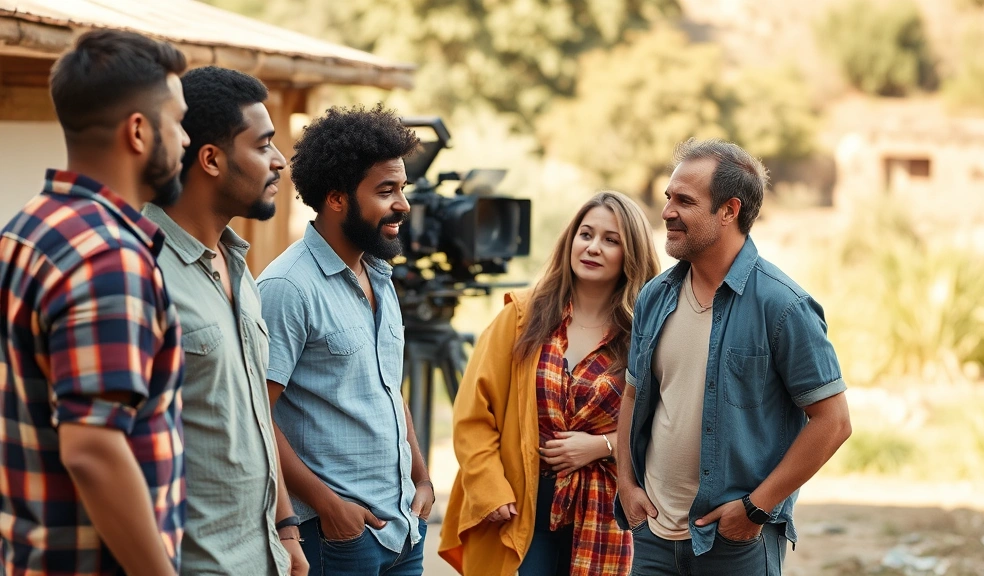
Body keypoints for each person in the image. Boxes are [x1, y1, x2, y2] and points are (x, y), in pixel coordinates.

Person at [614, 138, 853, 575]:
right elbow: (633, 395)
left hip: (734, 545)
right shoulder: (655, 296)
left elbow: (833, 421)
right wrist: (626, 485)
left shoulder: (783, 306)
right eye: (669, 198)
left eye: (685, 201)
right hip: (652, 540)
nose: (667, 211)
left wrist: (755, 509)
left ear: (729, 211)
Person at [0, 30, 189, 575]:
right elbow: (93, 450)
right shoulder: (107, 256)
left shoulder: (28, 228)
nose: (182, 139)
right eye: (176, 121)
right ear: (138, 130)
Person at [140, 66, 308, 576]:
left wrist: (286, 531)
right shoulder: (141, 269)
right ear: (211, 158)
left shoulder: (238, 265)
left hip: (265, 558)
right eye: (263, 146)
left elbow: (256, 411)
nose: (280, 162)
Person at [439, 191, 661, 576]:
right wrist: (489, 488)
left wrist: (602, 446)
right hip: (522, 503)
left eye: (611, 240)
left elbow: (665, 424)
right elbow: (474, 414)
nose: (593, 247)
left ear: (632, 254)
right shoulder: (522, 317)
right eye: (586, 234)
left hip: (606, 513)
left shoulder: (647, 334)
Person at [257, 104, 433, 576]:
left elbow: (387, 389)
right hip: (336, 536)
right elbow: (255, 414)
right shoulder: (287, 288)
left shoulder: (380, 275)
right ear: (336, 199)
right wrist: (329, 507)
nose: (403, 204)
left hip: (402, 528)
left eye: (403, 188)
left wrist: (421, 476)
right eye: (386, 191)